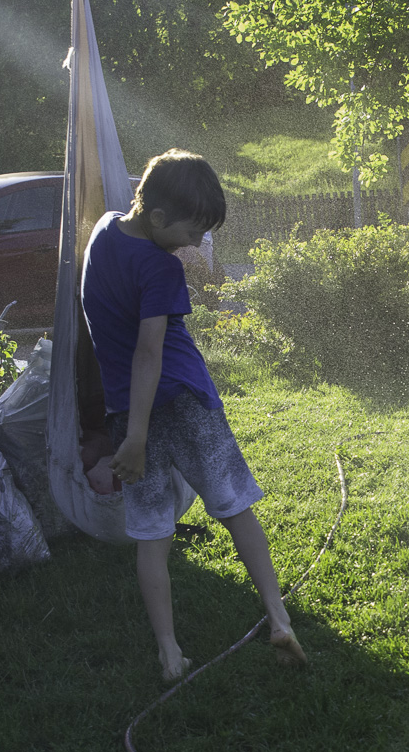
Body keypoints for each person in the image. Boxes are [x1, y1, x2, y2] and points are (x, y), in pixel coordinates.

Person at [81, 148, 305, 680]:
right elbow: (149, 353)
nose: (198, 243)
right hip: (181, 398)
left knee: (152, 533)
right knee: (234, 507)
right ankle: (278, 617)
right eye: (193, 231)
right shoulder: (160, 268)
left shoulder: (103, 232)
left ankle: (169, 653)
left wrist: (127, 430)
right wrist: (134, 438)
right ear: (158, 218)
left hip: (122, 407)